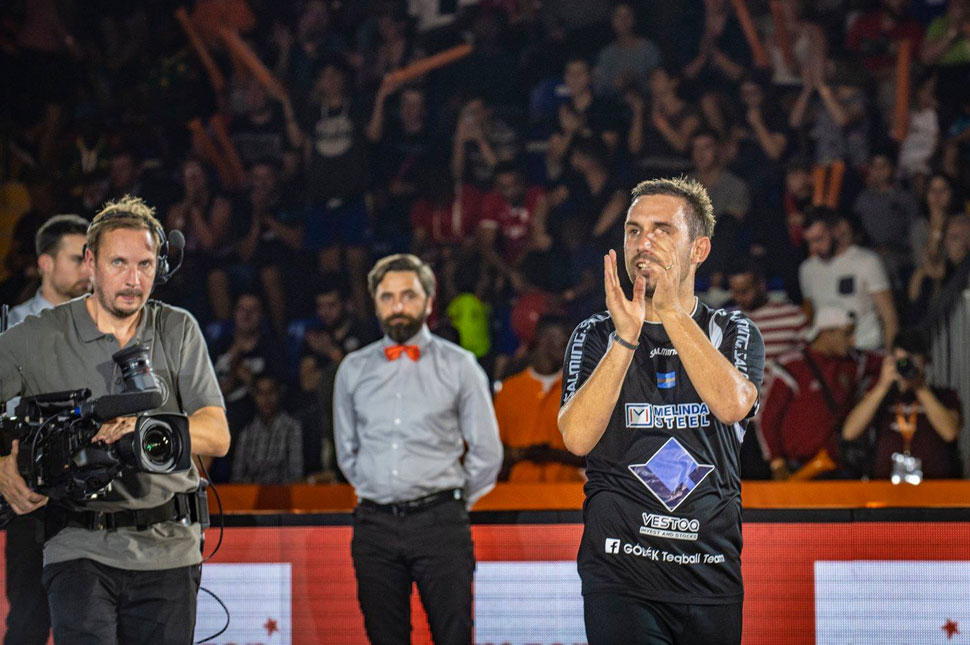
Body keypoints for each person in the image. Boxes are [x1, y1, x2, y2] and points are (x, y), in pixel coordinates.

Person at [0, 195, 230, 643]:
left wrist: (142, 430)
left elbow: (217, 434)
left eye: (145, 264)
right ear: (90, 262)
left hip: (170, 548)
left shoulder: (178, 328)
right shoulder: (39, 335)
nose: (133, 279)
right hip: (77, 545)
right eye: (119, 263)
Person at [558, 177, 764, 645]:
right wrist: (626, 338)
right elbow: (576, 438)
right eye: (633, 230)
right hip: (620, 572)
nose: (643, 242)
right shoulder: (594, 333)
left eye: (662, 230)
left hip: (709, 570)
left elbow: (733, 405)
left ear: (699, 250)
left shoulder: (732, 328)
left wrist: (671, 312)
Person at [334, 253, 502, 645]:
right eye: (387, 297)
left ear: (429, 301)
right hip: (374, 525)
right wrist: (380, 487)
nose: (398, 306)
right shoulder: (352, 369)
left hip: (440, 522)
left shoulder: (460, 365)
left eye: (408, 295)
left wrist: (451, 500)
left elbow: (487, 453)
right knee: (384, 638)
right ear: (375, 303)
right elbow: (347, 453)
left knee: (453, 636)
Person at [3, 213, 91, 645]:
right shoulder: (11, 327)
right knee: (28, 621)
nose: (87, 269)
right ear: (45, 263)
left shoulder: (105, 323)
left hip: (93, 489)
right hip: (30, 493)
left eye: (90, 259)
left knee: (90, 623)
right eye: (77, 259)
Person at [758, 307, 879, 480]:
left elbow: (888, 364)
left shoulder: (855, 362)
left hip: (841, 467)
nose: (852, 340)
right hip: (800, 468)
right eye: (846, 334)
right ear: (826, 332)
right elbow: (768, 418)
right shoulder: (792, 365)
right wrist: (777, 462)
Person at [843, 329, 962, 479]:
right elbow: (849, 433)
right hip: (884, 486)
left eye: (911, 361)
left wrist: (920, 387)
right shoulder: (880, 397)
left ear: (925, 361)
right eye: (901, 361)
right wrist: (882, 385)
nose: (905, 366)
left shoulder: (944, 396)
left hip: (934, 486)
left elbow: (950, 433)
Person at [494, 315, 584, 482]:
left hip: (567, 491)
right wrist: (521, 454)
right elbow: (493, 449)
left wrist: (553, 455)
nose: (572, 348)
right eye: (565, 342)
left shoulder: (580, 389)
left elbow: (593, 453)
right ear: (544, 340)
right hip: (518, 491)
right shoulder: (510, 390)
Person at [799, 208, 898, 351]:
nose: (813, 247)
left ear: (836, 231)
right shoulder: (807, 269)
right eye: (809, 242)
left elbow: (889, 317)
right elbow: (810, 316)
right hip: (827, 354)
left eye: (819, 239)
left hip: (865, 349)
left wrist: (889, 355)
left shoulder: (867, 261)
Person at [726, 258, 807, 363]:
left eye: (744, 291)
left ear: (761, 285)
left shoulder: (792, 315)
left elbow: (807, 359)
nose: (739, 298)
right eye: (735, 292)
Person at [231, 374, 303, 484]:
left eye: (271, 392)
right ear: (254, 396)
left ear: (279, 393)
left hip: (283, 492)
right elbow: (237, 477)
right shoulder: (247, 432)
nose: (266, 399)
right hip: (250, 492)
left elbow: (296, 475)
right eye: (261, 393)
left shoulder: (292, 428)